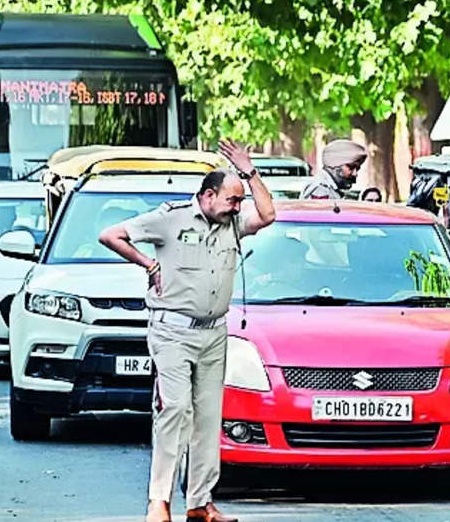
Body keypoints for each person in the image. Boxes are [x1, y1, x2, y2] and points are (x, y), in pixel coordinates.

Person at [98, 141, 275, 522]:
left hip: (214, 334)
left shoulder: (232, 224)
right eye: (231, 200)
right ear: (207, 196)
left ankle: (200, 503)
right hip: (172, 332)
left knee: (209, 418)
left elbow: (268, 214)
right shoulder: (170, 219)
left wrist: (248, 171)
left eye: (239, 200)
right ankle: (158, 501)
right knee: (174, 410)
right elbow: (111, 235)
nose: (237, 207)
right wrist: (148, 264)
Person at [300, 139, 368, 199]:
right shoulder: (320, 189)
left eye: (357, 169)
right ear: (334, 165)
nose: (355, 174)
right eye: (351, 167)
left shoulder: (331, 189)